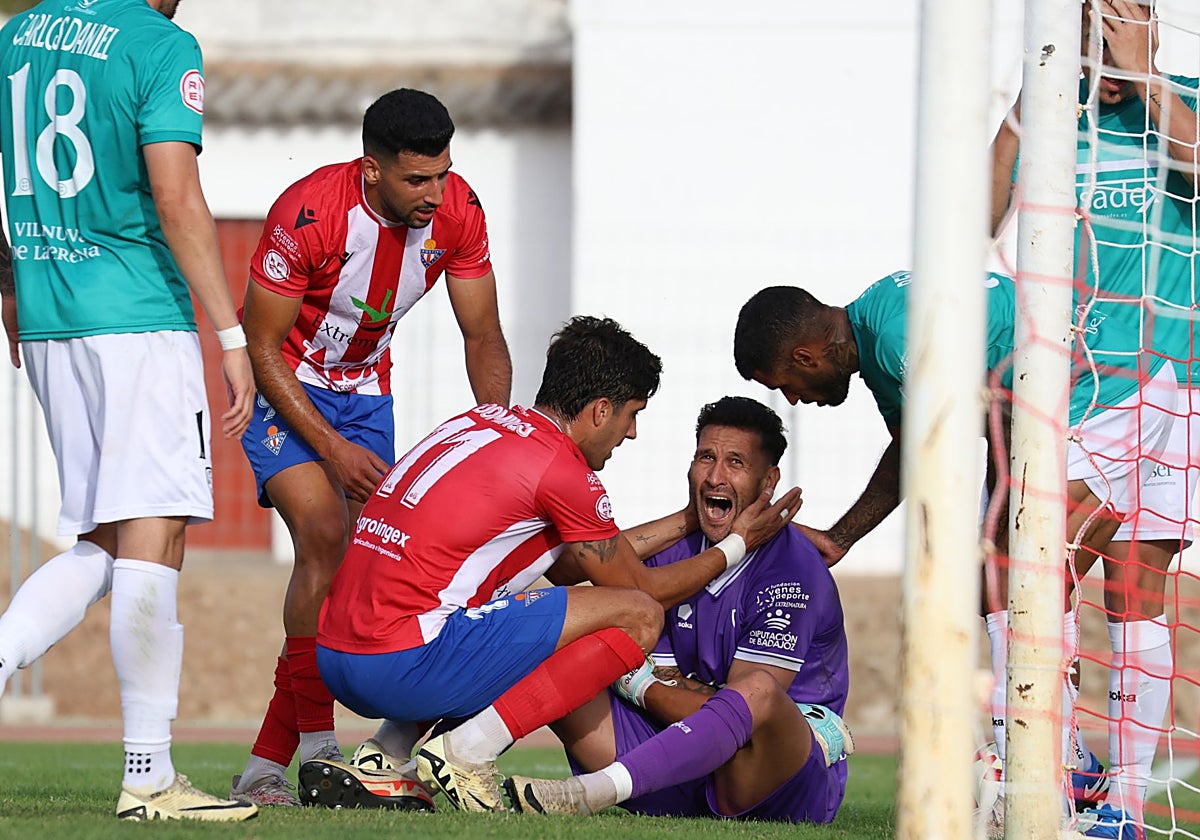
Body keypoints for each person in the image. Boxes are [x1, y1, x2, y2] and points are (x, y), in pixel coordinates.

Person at [299, 316, 802, 813]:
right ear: (601, 410)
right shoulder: (563, 470)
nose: (629, 434)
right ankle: (467, 752)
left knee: (518, 610)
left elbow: (567, 569)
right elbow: (640, 591)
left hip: (337, 654)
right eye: (632, 414)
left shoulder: (480, 422)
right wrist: (735, 544)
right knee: (638, 616)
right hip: (398, 665)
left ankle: (385, 755)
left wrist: (689, 520)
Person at [733, 271, 1177, 833]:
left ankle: (1055, 789)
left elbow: (979, 433)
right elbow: (917, 447)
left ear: (805, 355)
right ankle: (1068, 771)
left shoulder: (896, 341)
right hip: (1095, 387)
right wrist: (843, 537)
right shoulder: (874, 329)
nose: (795, 398)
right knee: (1010, 585)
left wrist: (995, 531)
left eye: (786, 384)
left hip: (1112, 391)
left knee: (1024, 586)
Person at [0, 0, 256, 823]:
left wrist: (8, 285)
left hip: (49, 315)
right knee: (156, 535)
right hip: (136, 319)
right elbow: (177, 200)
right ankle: (148, 776)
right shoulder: (159, 43)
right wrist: (229, 333)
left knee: (106, 542)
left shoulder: (19, 33)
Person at [230, 87, 513, 807]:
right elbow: (261, 343)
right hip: (283, 386)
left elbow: (482, 335)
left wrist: (498, 437)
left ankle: (266, 762)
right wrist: (327, 448)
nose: (435, 193)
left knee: (356, 574)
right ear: (372, 171)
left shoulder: (460, 213)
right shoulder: (311, 214)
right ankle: (320, 744)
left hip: (364, 397)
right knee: (323, 532)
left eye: (443, 173)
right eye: (418, 179)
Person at [991, 3, 1199, 836]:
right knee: (1020, 565)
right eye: (1093, 17)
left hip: (1176, 382)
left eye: (1124, 14)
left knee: (1137, 595)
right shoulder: (1047, 117)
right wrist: (1023, 104)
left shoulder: (1182, 96)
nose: (1108, 31)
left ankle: (1121, 803)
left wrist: (1145, 72)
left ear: (1146, 18)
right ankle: (1057, 761)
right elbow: (976, 220)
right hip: (1080, 388)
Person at [506, 396, 852, 822]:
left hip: (767, 785)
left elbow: (743, 718)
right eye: (706, 457)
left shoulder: (793, 571)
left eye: (736, 463)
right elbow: (564, 570)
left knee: (758, 691)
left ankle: (590, 792)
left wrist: (636, 683)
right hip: (672, 759)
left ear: (769, 482)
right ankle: (460, 754)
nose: (715, 476)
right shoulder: (676, 557)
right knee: (549, 620)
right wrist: (669, 690)